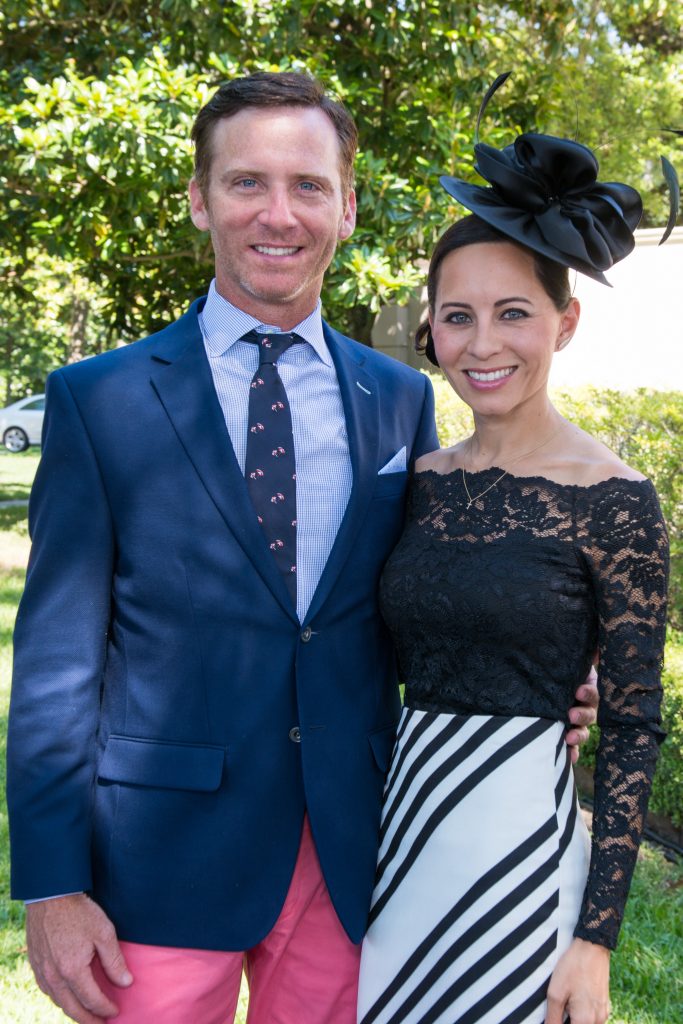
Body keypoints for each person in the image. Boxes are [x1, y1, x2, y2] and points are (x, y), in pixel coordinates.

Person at [6, 72, 596, 1024]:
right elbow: (54, 662)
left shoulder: (397, 397)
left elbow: (404, 604)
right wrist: (49, 885)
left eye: (308, 186)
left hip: (347, 848)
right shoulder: (97, 399)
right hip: (161, 853)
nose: (277, 214)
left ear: (346, 207)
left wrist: (536, 674)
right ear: (200, 200)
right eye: (246, 182)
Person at [356, 110, 669, 1024]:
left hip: (520, 855)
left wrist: (594, 939)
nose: (482, 345)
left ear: (563, 323)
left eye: (512, 314)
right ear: (431, 330)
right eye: (457, 317)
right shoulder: (413, 482)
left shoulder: (614, 498)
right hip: (401, 837)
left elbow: (633, 727)